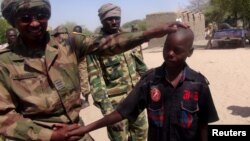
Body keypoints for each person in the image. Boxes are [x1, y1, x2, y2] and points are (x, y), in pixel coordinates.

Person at [0, 0, 188, 140]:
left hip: (76, 131)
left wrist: (151, 33)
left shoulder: (68, 43)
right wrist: (48, 136)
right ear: (13, 22)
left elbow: (107, 43)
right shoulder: (4, 63)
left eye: (41, 16)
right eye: (25, 18)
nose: (34, 23)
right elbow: (4, 117)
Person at [67, 27, 219, 141]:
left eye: (177, 50)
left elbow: (203, 125)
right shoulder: (151, 80)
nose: (170, 53)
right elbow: (121, 112)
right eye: (167, 48)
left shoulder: (199, 84)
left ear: (190, 52)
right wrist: (85, 129)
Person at [86, 3, 148, 141]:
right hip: (116, 106)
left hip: (137, 99)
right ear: (102, 20)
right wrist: (108, 112)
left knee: (142, 137)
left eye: (117, 18)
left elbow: (142, 68)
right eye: (109, 19)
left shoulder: (129, 38)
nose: (114, 22)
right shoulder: (95, 45)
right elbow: (96, 81)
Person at [73, 25, 91, 108]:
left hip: (72, 61)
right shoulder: (85, 39)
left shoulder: (69, 38)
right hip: (82, 60)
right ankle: (86, 101)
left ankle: (76, 100)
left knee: (74, 80)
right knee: (84, 80)